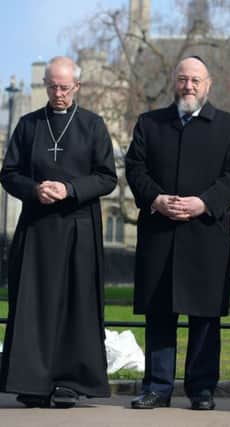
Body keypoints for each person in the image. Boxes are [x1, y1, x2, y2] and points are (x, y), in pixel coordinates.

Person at [126, 56, 230, 410]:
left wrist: (204, 203)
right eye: (182, 79)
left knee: (205, 316)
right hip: (160, 233)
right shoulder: (150, 124)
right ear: (173, 83)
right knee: (160, 314)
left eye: (195, 80)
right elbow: (135, 168)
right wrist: (156, 199)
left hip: (205, 234)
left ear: (208, 84)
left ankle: (202, 388)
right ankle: (157, 387)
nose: (188, 86)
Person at [0, 56, 116, 408]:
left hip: (79, 227)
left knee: (75, 305)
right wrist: (35, 190)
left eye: (65, 87)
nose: (58, 93)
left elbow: (107, 177)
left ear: (77, 86)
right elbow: (9, 173)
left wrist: (70, 190)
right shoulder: (28, 125)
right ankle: (31, 381)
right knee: (34, 304)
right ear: (46, 85)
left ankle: (69, 382)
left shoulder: (93, 126)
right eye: (52, 86)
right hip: (37, 228)